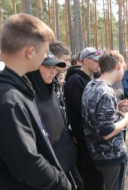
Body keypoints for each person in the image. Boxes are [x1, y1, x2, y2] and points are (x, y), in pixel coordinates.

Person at [0, 13, 71, 189]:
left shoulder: (16, 88)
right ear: (30, 52)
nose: (47, 58)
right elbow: (26, 164)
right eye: (45, 51)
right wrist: (61, 183)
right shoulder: (8, 98)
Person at [26, 51, 83, 189]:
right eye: (47, 67)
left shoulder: (54, 96)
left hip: (68, 164)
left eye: (54, 68)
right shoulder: (29, 100)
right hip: (49, 172)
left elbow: (62, 125)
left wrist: (71, 150)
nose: (53, 72)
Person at [82, 50, 128, 190]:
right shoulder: (107, 91)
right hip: (112, 157)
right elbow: (106, 131)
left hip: (96, 155)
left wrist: (116, 107)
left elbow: (95, 114)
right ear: (118, 66)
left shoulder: (91, 85)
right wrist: (127, 119)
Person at [64, 47, 103, 190]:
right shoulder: (76, 80)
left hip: (91, 136)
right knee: (90, 175)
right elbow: (83, 111)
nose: (98, 63)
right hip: (85, 137)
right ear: (85, 61)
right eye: (95, 60)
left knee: (95, 175)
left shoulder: (87, 79)